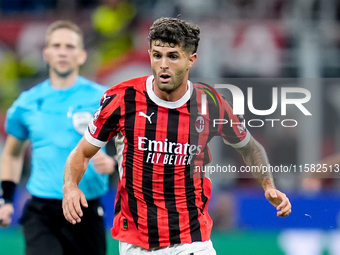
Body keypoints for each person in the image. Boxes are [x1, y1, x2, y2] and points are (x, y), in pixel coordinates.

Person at [62, 17, 292, 255]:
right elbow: (82, 153)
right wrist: (70, 186)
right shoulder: (122, 99)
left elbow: (250, 148)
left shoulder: (210, 103)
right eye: (157, 55)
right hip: (137, 244)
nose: (163, 64)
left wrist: (268, 185)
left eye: (172, 56)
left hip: (192, 240)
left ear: (191, 60)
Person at [0, 20, 115, 255]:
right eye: (57, 45)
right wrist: (6, 200)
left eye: (70, 46)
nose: (63, 51)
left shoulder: (103, 98)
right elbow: (12, 153)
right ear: (46, 53)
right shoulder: (27, 103)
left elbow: (130, 144)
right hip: (43, 211)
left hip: (87, 208)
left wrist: (114, 163)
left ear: (82, 55)